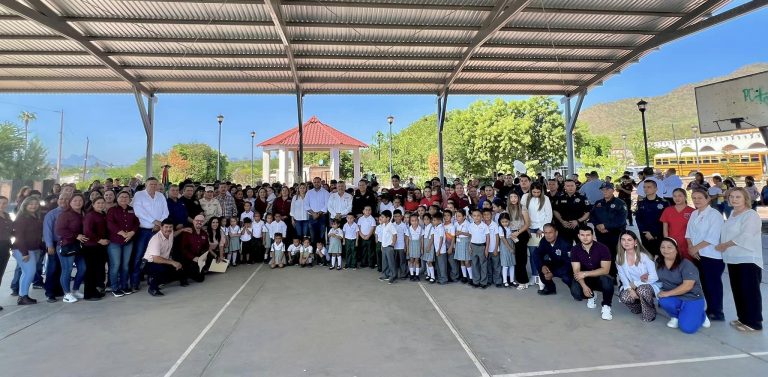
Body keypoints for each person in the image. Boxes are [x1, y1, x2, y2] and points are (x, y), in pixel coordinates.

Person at [716, 187, 763, 332]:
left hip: (747, 259)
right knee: (738, 290)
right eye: (732, 197)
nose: (734, 199)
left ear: (745, 199)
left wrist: (725, 245)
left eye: (738, 197)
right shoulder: (733, 214)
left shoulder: (750, 215)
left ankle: (754, 322)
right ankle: (743, 318)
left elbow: (746, 235)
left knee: (750, 291)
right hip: (733, 259)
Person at [685, 189, 724, 321]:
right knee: (705, 284)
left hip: (712, 256)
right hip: (697, 255)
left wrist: (695, 248)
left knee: (713, 285)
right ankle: (710, 309)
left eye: (700, 198)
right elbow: (688, 233)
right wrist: (691, 247)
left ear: (708, 199)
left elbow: (712, 237)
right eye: (694, 198)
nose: (697, 200)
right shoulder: (694, 213)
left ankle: (717, 312)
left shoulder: (715, 215)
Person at [657, 238, 709, 333]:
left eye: (669, 247)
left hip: (692, 297)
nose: (665, 250)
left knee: (688, 328)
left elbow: (687, 286)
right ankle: (676, 317)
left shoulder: (686, 264)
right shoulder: (659, 263)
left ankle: (701, 314)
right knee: (663, 300)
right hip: (675, 296)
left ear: (676, 249)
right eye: (663, 247)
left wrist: (667, 293)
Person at [131, 177, 169, 292]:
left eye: (155, 184)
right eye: (151, 184)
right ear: (146, 185)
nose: (153, 186)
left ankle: (153, 281)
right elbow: (139, 212)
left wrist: (160, 224)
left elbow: (165, 212)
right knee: (139, 257)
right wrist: (154, 221)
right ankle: (134, 282)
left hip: (158, 230)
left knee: (156, 256)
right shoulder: (139, 195)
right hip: (144, 231)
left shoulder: (161, 196)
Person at [570, 225, 614, 321]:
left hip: (599, 277)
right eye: (582, 235)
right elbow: (576, 270)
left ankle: (606, 306)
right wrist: (584, 286)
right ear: (578, 236)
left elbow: (605, 270)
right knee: (576, 293)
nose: (585, 237)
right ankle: (592, 294)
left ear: (592, 235)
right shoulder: (575, 249)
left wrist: (585, 273)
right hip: (585, 279)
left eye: (588, 235)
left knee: (607, 280)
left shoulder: (603, 248)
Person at [616, 231, 658, 322]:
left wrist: (635, 283)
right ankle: (640, 306)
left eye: (629, 240)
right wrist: (630, 289)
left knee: (642, 290)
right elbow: (622, 276)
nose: (626, 242)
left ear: (635, 242)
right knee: (624, 297)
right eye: (623, 240)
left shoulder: (644, 256)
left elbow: (654, 277)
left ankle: (650, 311)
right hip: (632, 286)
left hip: (648, 285)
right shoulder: (619, 257)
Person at [55, 194, 88, 303]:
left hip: (79, 246)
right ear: (70, 202)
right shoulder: (65, 214)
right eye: (75, 200)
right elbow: (59, 230)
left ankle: (75, 290)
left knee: (83, 268)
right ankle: (66, 294)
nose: (78, 202)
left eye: (80, 200)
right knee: (67, 270)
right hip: (67, 245)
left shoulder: (84, 213)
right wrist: (75, 235)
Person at [589, 182, 627, 277]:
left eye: (607, 189)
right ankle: (605, 274)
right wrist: (597, 225)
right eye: (603, 190)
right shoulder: (598, 203)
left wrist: (605, 226)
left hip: (615, 234)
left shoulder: (620, 203)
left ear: (613, 190)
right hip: (601, 235)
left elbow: (621, 220)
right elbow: (592, 216)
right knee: (603, 254)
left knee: (615, 255)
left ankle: (613, 276)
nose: (605, 191)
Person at [11, 196, 43, 305]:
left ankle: (23, 296)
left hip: (34, 249)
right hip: (23, 250)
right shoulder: (21, 218)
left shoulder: (35, 216)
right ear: (25, 205)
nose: (33, 206)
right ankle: (23, 297)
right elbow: (19, 236)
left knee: (26, 273)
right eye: (31, 204)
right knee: (30, 273)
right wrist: (24, 253)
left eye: (35, 203)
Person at [42, 190, 71, 302]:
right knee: (52, 268)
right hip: (54, 244)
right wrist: (49, 245)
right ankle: (50, 292)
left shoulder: (72, 213)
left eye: (66, 199)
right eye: (61, 199)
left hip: (67, 244)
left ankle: (59, 289)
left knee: (62, 268)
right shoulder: (52, 214)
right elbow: (47, 231)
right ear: (58, 200)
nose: (64, 201)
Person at [521, 183, 552, 289]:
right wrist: (527, 227)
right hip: (530, 228)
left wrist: (542, 228)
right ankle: (534, 276)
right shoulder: (525, 197)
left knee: (543, 253)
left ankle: (542, 276)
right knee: (533, 253)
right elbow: (523, 213)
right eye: (534, 192)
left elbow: (549, 214)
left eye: (538, 192)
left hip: (542, 228)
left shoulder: (546, 199)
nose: (536, 194)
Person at [143, 219, 182, 297]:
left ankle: (155, 280)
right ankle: (152, 288)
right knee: (162, 270)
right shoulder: (156, 239)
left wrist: (183, 229)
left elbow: (174, 234)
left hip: (162, 261)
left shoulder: (170, 234)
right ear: (161, 228)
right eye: (166, 227)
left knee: (178, 269)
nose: (168, 229)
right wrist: (172, 262)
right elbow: (156, 259)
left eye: (170, 227)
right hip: (149, 263)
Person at [82, 197, 109, 301]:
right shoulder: (90, 215)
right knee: (91, 271)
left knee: (98, 269)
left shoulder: (102, 214)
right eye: (98, 203)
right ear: (93, 204)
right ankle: (88, 294)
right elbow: (87, 231)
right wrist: (99, 240)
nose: (101, 205)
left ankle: (96, 290)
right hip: (91, 246)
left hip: (100, 247)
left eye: (103, 203)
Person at [534, 224, 572, 295]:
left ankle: (575, 287)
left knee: (576, 293)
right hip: (555, 263)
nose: (548, 235)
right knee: (542, 267)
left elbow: (569, 264)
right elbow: (537, 254)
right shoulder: (544, 240)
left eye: (550, 232)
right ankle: (550, 289)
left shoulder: (565, 243)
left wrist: (553, 273)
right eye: (545, 233)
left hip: (567, 267)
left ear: (556, 233)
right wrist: (542, 266)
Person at [635, 179, 668, 256]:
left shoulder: (663, 203)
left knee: (661, 257)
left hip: (659, 235)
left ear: (656, 189)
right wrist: (645, 232)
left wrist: (654, 233)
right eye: (644, 187)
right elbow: (638, 219)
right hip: (645, 235)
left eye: (649, 187)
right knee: (648, 257)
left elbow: (665, 221)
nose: (646, 189)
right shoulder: (641, 202)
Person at [660, 188, 694, 260]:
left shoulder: (692, 211)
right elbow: (665, 228)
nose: (677, 198)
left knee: (688, 265)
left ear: (685, 197)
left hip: (687, 244)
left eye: (680, 196)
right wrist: (667, 242)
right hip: (672, 243)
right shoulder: (668, 210)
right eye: (674, 196)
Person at [553, 180, 590, 245]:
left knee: (582, 248)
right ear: (564, 187)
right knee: (565, 249)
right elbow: (555, 211)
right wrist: (562, 221)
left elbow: (588, 212)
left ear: (575, 186)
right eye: (568, 186)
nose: (570, 188)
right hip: (564, 227)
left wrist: (577, 221)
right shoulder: (559, 197)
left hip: (579, 227)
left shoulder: (582, 197)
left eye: (572, 185)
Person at [506, 192, 531, 288]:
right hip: (512, 234)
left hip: (521, 234)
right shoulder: (508, 208)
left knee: (521, 258)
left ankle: (523, 281)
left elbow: (527, 224)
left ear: (518, 198)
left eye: (515, 197)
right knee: (517, 258)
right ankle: (520, 279)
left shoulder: (522, 207)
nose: (513, 199)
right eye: (511, 197)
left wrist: (518, 232)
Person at [177, 215, 209, 284]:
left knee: (200, 278)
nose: (199, 222)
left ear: (203, 223)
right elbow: (183, 249)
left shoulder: (204, 234)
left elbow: (206, 247)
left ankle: (191, 271)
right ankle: (183, 273)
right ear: (193, 221)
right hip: (187, 258)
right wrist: (193, 257)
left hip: (198, 258)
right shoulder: (187, 232)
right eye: (197, 220)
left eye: (201, 221)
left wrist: (204, 256)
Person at [467, 209, 490, 289]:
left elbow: (487, 237)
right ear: (472, 217)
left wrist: (486, 249)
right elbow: (470, 236)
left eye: (478, 215)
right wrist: (469, 246)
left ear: (481, 217)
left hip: (482, 247)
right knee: (474, 264)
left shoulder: (484, 226)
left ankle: (483, 282)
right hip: (473, 246)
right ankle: (476, 281)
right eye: (474, 216)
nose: (476, 217)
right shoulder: (470, 225)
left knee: (483, 265)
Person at [305, 177, 330, 246]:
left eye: (318, 182)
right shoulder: (309, 193)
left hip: (322, 216)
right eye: (315, 182)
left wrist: (319, 213)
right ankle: (314, 253)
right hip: (312, 216)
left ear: (320, 182)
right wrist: (313, 213)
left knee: (322, 235)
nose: (316, 183)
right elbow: (306, 205)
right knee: (312, 235)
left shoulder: (325, 192)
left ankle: (322, 253)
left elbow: (327, 205)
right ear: (313, 183)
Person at [377, 210, 398, 284]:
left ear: (388, 218)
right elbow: (383, 237)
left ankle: (393, 276)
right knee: (385, 262)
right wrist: (382, 245)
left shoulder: (391, 226)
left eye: (382, 217)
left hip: (389, 246)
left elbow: (395, 235)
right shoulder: (383, 225)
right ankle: (386, 275)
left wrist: (392, 244)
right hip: (384, 246)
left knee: (391, 262)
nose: (381, 218)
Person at [497, 213, 516, 287]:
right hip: (505, 246)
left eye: (506, 221)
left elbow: (513, 237)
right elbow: (503, 239)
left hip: (511, 244)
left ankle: (512, 280)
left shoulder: (510, 227)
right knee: (505, 265)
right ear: (500, 221)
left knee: (512, 264)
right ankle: (505, 281)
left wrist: (513, 247)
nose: (505, 223)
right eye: (503, 222)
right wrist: (510, 248)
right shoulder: (500, 228)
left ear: (509, 221)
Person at [0, 196, 12, 309]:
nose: (3, 205)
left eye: (5, 203)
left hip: (6, 247)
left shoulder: (7, 216)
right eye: (1, 203)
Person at [406, 213, 423, 281]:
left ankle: (417, 274)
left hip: (417, 245)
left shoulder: (420, 229)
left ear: (418, 221)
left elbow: (421, 239)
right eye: (412, 220)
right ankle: (412, 274)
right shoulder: (409, 229)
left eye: (416, 220)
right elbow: (407, 240)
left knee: (417, 261)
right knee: (411, 260)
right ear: (410, 221)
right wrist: (407, 249)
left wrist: (422, 248)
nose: (414, 222)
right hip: (411, 246)